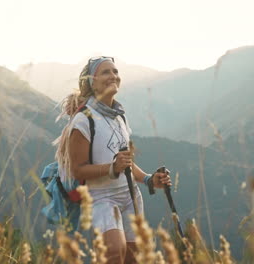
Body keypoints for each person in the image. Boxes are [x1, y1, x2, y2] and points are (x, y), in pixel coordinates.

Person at [54, 56, 172, 264]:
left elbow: (125, 163)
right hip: (101, 198)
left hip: (130, 197)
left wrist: (148, 180)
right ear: (92, 81)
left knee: (134, 258)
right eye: (106, 72)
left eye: (115, 71)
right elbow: (78, 170)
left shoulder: (120, 117)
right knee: (114, 254)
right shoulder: (83, 120)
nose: (113, 76)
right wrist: (111, 168)